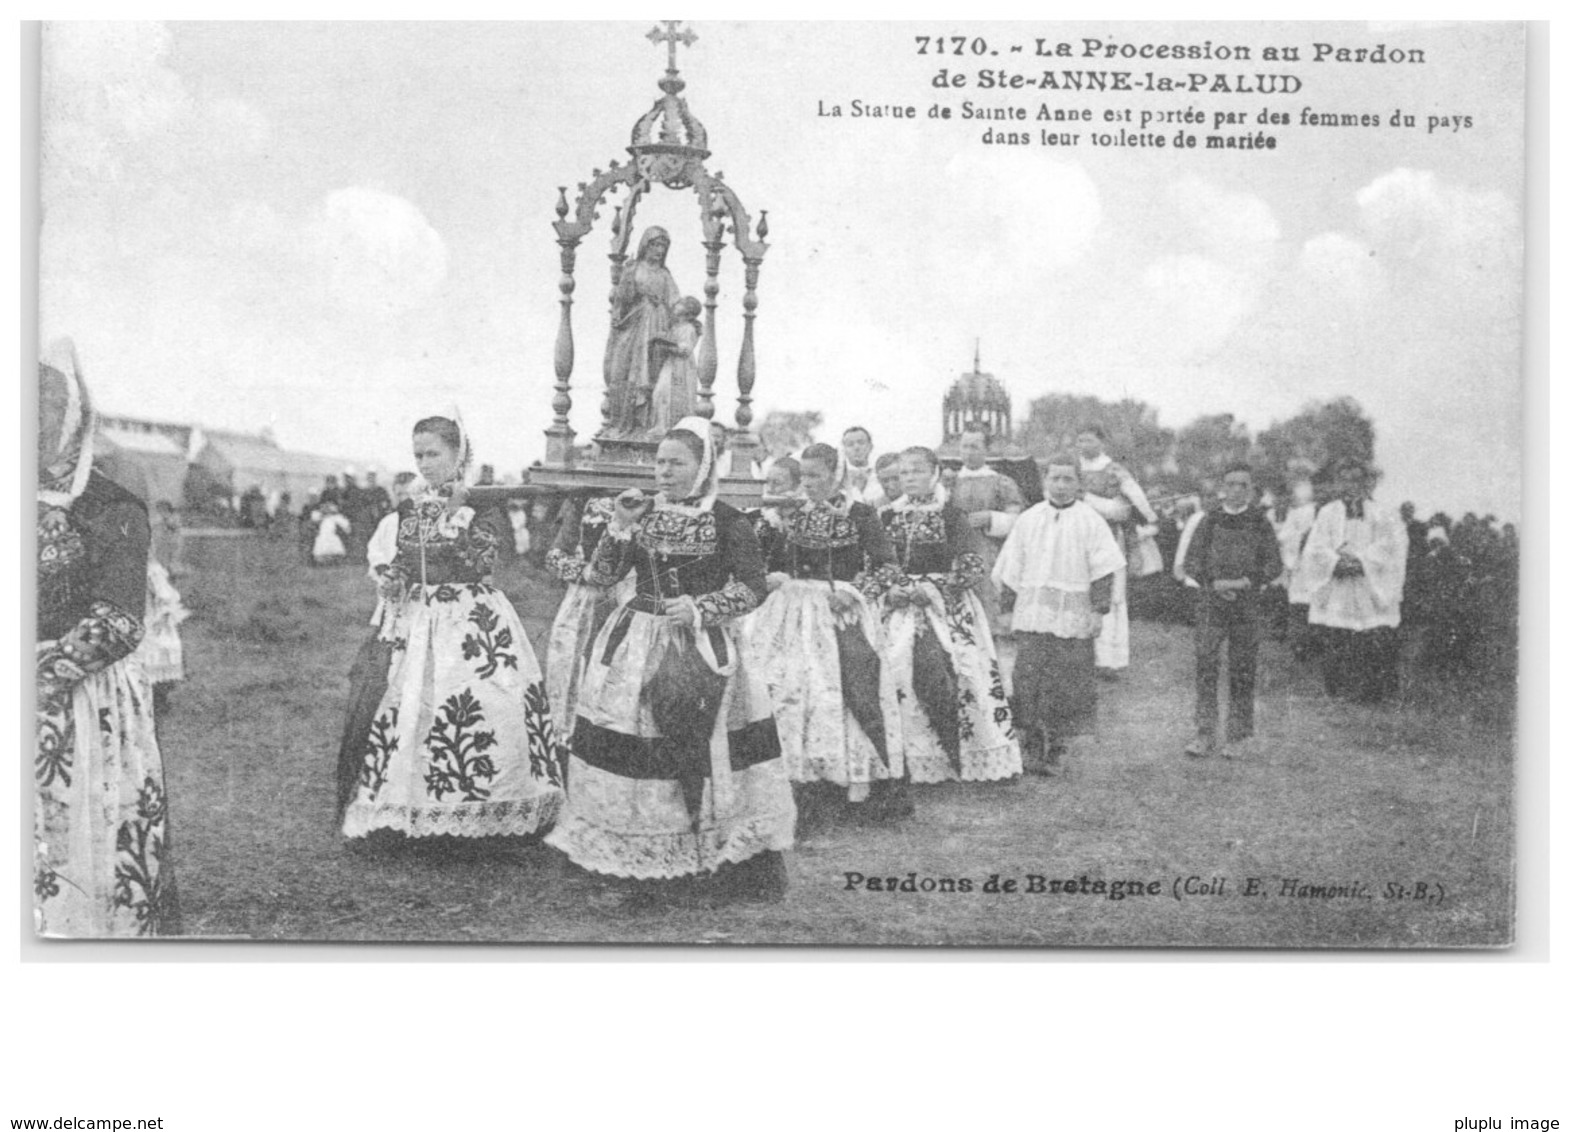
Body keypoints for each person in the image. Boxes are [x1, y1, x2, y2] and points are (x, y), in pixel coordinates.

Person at [546, 416, 795, 901]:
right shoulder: (639, 511)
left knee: (704, 741)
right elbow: (602, 576)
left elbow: (753, 585)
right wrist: (620, 525)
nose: (664, 472)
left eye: (676, 463)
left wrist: (704, 608)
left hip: (703, 643)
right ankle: (628, 858)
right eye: (659, 462)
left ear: (703, 466)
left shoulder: (728, 519)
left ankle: (708, 856)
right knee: (631, 737)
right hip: (635, 642)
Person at [340, 416, 563, 841]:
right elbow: (406, 556)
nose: (424, 464)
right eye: (418, 455)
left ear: (456, 455)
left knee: (478, 704)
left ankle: (483, 813)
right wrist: (395, 577)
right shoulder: (412, 504)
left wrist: (460, 513)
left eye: (433, 454)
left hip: (469, 619)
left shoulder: (483, 505)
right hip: (420, 620)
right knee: (411, 708)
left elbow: (486, 563)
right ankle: (412, 811)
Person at [35, 345, 179, 936]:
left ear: (71, 422)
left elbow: (119, 619)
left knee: (79, 843)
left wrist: (42, 676)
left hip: (81, 700)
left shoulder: (111, 506)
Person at [754, 444, 907, 823]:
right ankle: (797, 787)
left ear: (835, 474)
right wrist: (775, 573)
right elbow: (769, 558)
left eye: (815, 476)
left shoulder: (860, 513)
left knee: (849, 689)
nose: (807, 484)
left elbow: (889, 566)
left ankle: (852, 785)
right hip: (792, 612)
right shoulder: (790, 512)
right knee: (786, 689)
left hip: (840, 611)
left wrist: (854, 592)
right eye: (803, 476)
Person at [882, 446, 1021, 784]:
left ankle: (955, 756)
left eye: (916, 470)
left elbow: (972, 565)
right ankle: (906, 760)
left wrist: (933, 590)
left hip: (945, 608)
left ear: (934, 473)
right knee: (890, 668)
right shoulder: (887, 516)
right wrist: (891, 588)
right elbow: (877, 563)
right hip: (899, 606)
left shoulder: (951, 515)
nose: (909, 478)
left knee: (946, 667)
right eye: (903, 473)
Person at [993, 453, 1125, 776]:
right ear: (1044, 481)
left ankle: (1059, 746)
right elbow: (1013, 566)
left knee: (1068, 680)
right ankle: (1031, 743)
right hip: (1034, 613)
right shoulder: (1029, 518)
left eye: (1068, 479)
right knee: (1029, 678)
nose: (1061, 485)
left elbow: (1104, 568)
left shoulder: (1090, 520)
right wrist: (1008, 610)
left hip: (1073, 615)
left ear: (1078, 483)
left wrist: (1097, 611)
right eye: (1055, 478)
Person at [1179, 464, 1284, 758]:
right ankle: (1204, 734)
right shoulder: (1210, 520)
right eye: (1231, 484)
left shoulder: (1260, 522)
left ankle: (1238, 736)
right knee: (1206, 664)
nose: (1236, 490)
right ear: (1222, 488)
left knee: (1242, 668)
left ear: (1251, 490)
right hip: (1212, 604)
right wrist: (1214, 583)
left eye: (1243, 485)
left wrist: (1248, 582)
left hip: (1246, 606)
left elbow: (1273, 563)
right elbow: (1192, 561)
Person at [1297, 459, 1408, 703]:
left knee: (1373, 635)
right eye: (1344, 480)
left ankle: (1373, 692)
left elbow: (1392, 546)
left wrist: (1361, 561)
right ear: (1337, 483)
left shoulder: (1384, 513)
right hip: (1339, 583)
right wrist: (1335, 562)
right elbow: (1316, 546)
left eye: (1356, 479)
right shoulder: (1328, 513)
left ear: (1367, 482)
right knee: (1338, 635)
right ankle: (1339, 689)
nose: (1350, 485)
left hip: (1370, 585)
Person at [543, 493, 633, 755]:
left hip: (632, 599)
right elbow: (555, 555)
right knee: (576, 664)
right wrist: (585, 572)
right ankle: (569, 739)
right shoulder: (583, 499)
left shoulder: (654, 500)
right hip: (587, 598)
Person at [1076, 424, 1158, 675]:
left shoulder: (1113, 469)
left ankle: (1109, 659)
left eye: (1089, 440)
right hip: (1078, 537)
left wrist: (1148, 516)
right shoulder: (1074, 469)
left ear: (1102, 442)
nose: (1084, 446)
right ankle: (1080, 658)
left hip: (1109, 538)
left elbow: (1135, 497)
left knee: (1111, 596)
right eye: (1080, 441)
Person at [948, 426, 1025, 638]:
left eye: (975, 446)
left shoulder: (1001, 482)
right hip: (956, 550)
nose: (969, 452)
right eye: (965, 446)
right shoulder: (950, 482)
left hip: (988, 551)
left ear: (986, 450)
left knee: (987, 601)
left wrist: (991, 518)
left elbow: (1018, 519)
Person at [605, 226, 681, 435]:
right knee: (627, 370)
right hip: (634, 326)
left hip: (657, 326)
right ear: (645, 246)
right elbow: (621, 301)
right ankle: (624, 422)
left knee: (651, 372)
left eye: (663, 247)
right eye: (655, 245)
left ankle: (646, 422)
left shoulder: (665, 275)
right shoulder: (634, 269)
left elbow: (675, 302)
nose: (659, 250)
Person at [650, 295, 703, 431]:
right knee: (660, 393)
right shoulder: (674, 327)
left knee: (671, 394)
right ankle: (661, 425)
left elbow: (685, 350)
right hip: (671, 364)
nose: (675, 306)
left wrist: (664, 344)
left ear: (688, 311)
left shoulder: (688, 328)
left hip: (681, 366)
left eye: (680, 304)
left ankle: (668, 426)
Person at [841, 425, 877, 502]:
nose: (856, 447)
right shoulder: (839, 479)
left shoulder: (880, 474)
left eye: (861, 443)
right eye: (850, 444)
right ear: (844, 450)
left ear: (870, 446)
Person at [312, 501, 351, 566]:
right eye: (324, 506)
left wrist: (347, 529)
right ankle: (324, 563)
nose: (327, 508)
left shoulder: (335, 517)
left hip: (331, 535)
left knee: (335, 550)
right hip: (322, 536)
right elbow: (315, 519)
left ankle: (333, 562)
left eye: (329, 506)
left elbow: (345, 524)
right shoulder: (319, 516)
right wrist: (323, 514)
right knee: (321, 551)